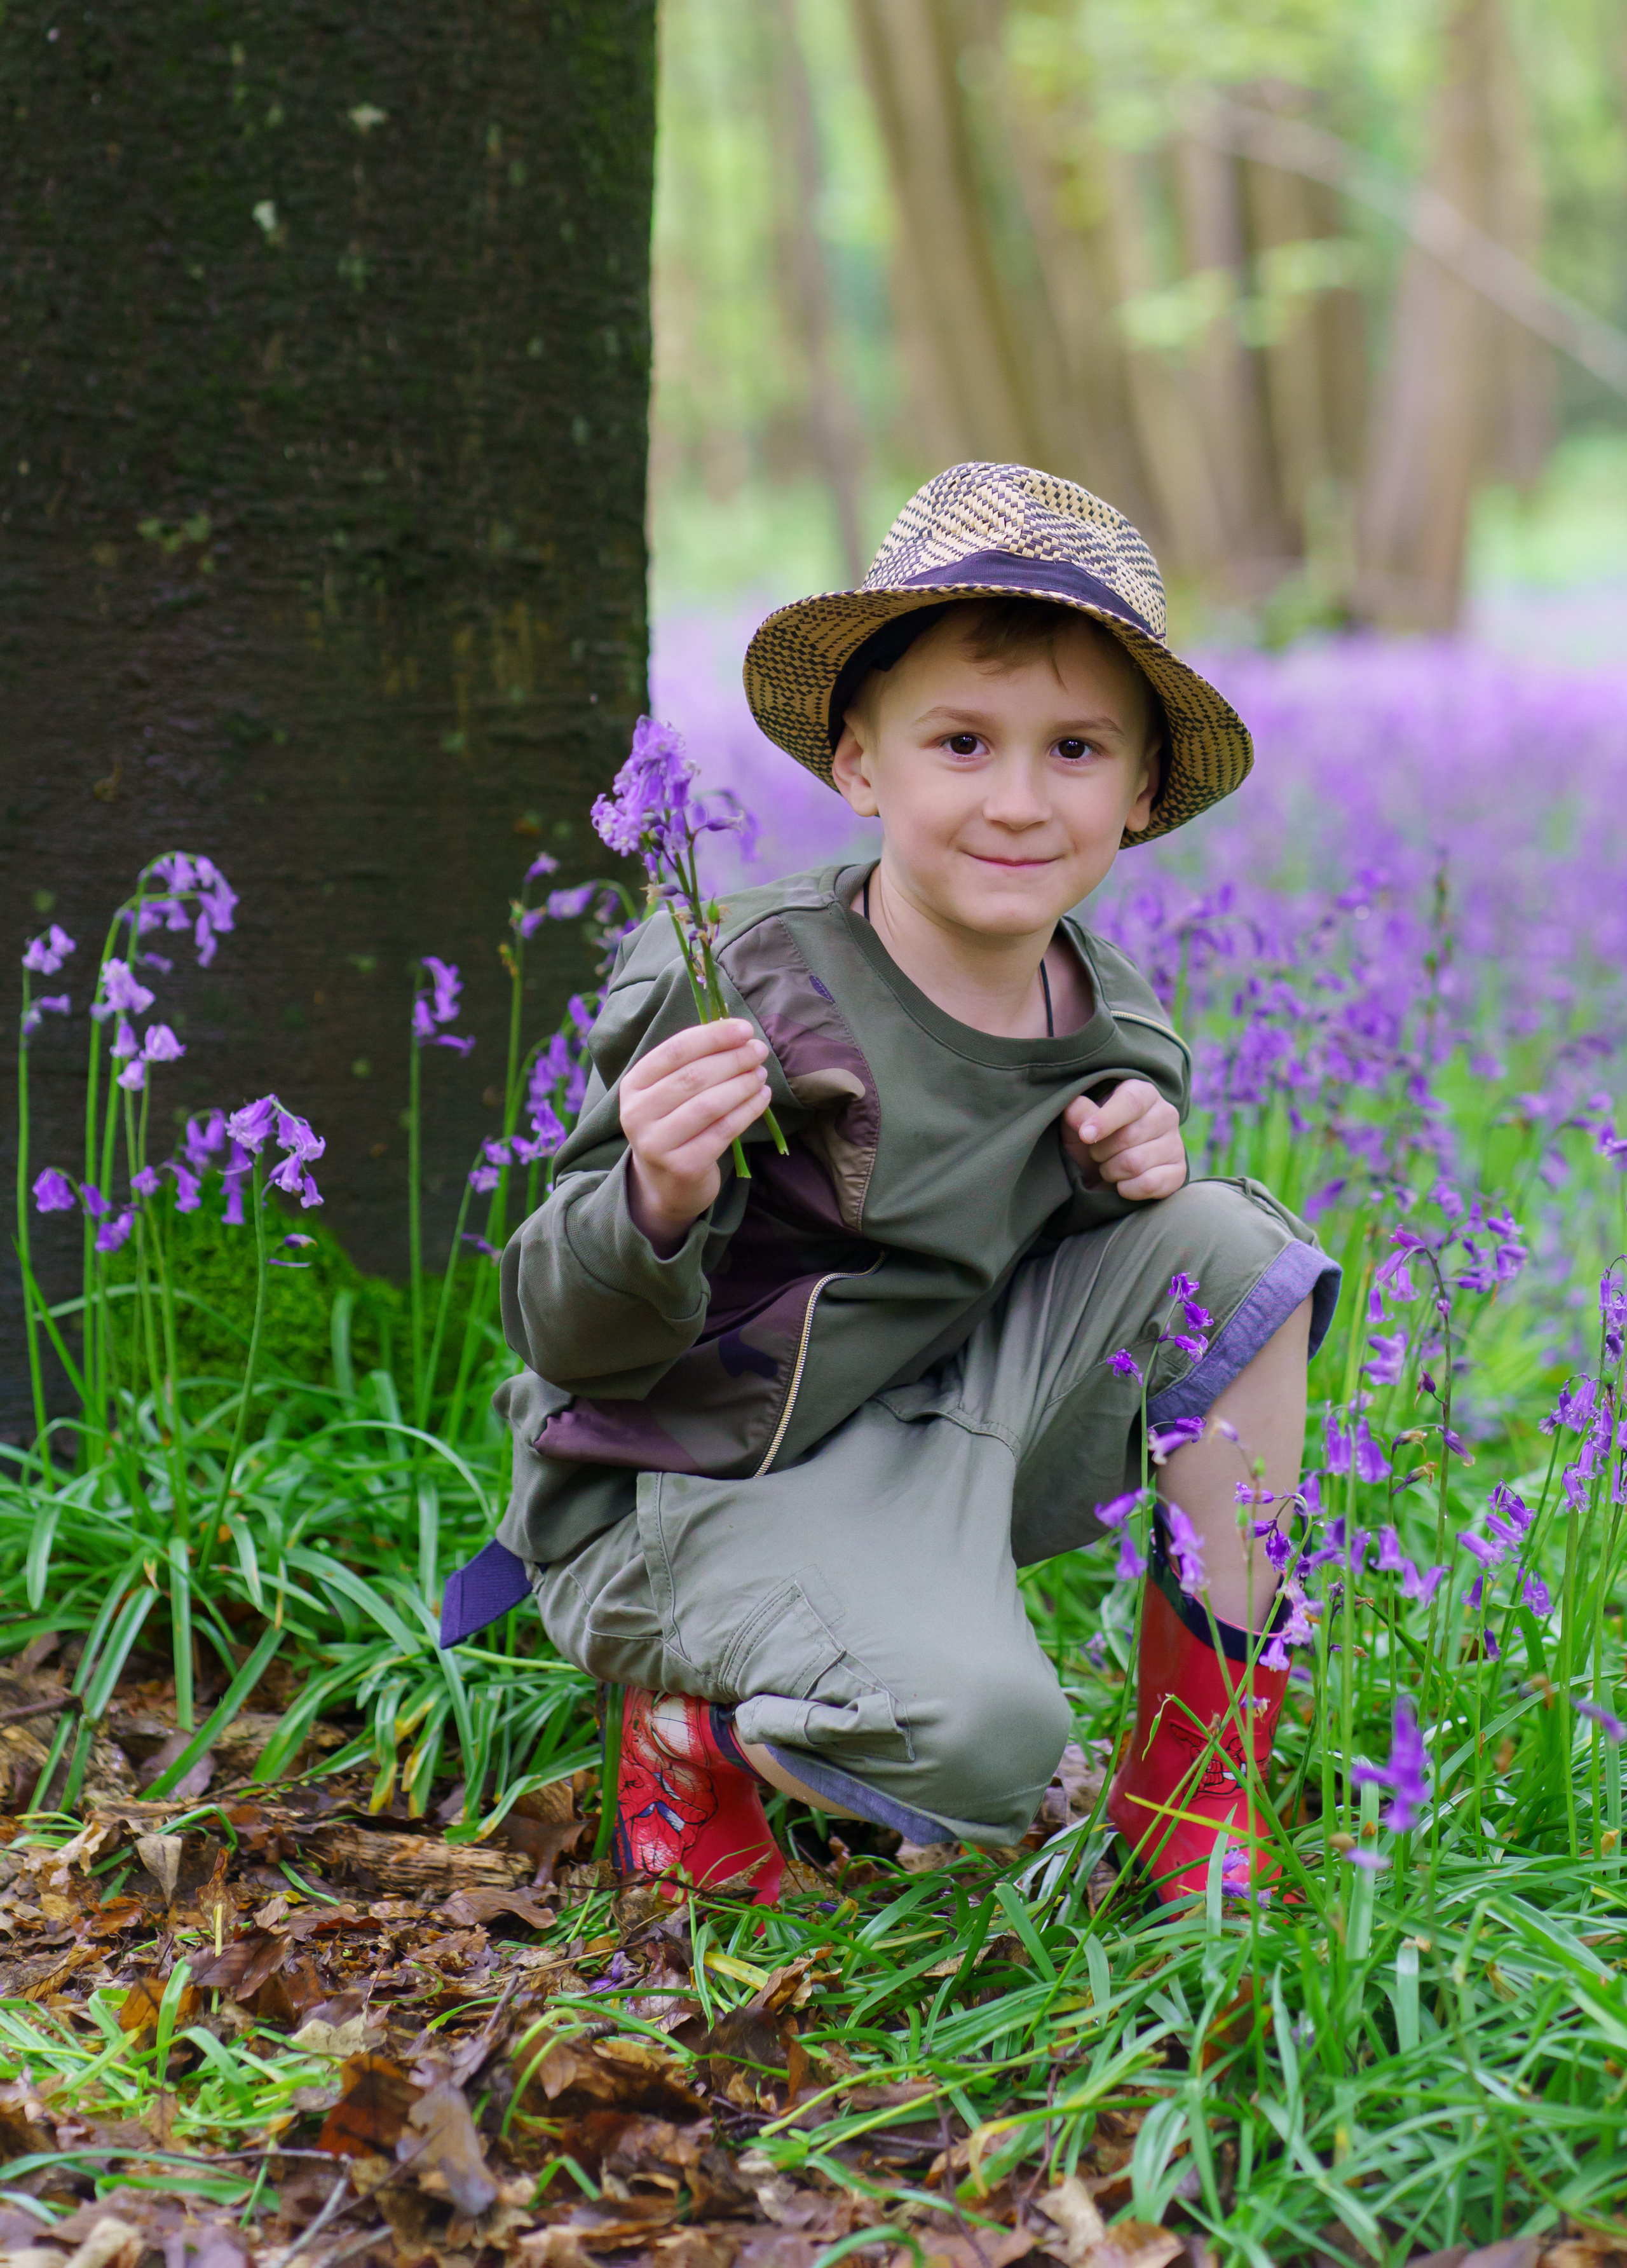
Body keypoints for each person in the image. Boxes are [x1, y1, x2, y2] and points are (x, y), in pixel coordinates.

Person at [440, 461, 1340, 1908]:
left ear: (1142, 789)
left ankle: (1188, 1791)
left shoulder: (1107, 1018)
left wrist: (1132, 1176)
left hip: (928, 1438)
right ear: (861, 765)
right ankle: (690, 1726)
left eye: (1074, 750)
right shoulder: (741, 980)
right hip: (690, 1486)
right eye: (962, 742)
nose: (1018, 799)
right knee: (981, 1755)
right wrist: (654, 1198)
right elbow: (564, 1338)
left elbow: (1045, 1254)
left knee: (1236, 1248)